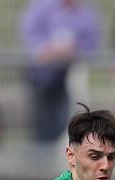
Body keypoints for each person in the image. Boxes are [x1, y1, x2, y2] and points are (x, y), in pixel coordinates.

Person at [19, 0, 102, 143]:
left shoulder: (86, 12)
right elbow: (30, 34)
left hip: (67, 76)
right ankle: (42, 151)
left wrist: (75, 50)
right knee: (41, 124)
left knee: (62, 122)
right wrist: (44, 50)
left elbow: (92, 42)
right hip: (39, 75)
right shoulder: (42, 6)